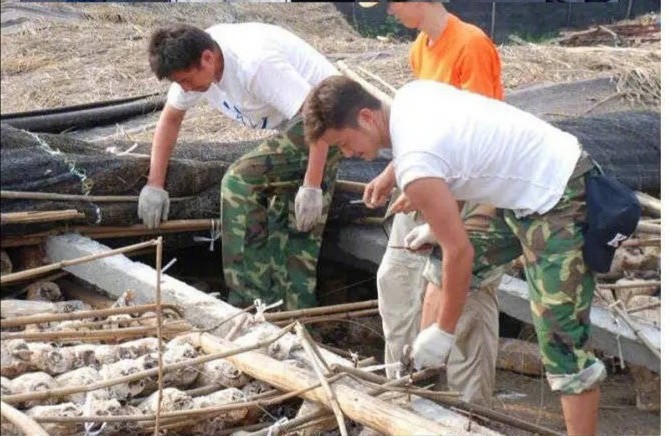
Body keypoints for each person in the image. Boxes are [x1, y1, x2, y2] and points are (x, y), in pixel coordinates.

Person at [302, 76, 605, 436]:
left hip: (559, 195)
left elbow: (459, 251)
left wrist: (444, 331)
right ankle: (418, 387)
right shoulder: (411, 99)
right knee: (437, 269)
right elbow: (461, 159)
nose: (349, 155)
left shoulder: (415, 162)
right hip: (520, 196)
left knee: (562, 343)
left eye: (345, 144)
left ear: (366, 118)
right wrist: (438, 225)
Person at [358, 1, 504, 406]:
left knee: (466, 296)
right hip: (428, 181)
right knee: (396, 277)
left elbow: (478, 137)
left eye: (390, 3)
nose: (388, 11)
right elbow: (423, 128)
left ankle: (469, 410)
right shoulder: (421, 48)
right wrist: (392, 175)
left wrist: (437, 202)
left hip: (470, 188)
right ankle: (406, 387)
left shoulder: (471, 45)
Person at [140, 23, 341, 309]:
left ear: (207, 58)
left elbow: (317, 118)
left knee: (240, 181)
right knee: (286, 216)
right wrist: (154, 184)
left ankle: (251, 301)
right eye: (179, 83)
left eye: (186, 80)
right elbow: (170, 119)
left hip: (331, 120)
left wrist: (312, 184)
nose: (186, 88)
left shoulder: (254, 64)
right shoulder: (194, 63)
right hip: (299, 122)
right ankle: (293, 312)